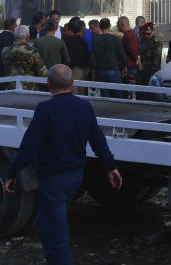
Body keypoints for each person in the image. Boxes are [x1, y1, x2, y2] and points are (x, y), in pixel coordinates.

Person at [4, 64, 122, 265]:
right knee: (44, 221)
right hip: (75, 177)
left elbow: (29, 145)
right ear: (73, 83)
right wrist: (111, 167)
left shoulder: (45, 109)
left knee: (57, 234)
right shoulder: (84, 107)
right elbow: (98, 140)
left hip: (54, 179)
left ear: (48, 84)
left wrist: (12, 172)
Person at [91, 18, 125, 98]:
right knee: (118, 96)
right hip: (114, 70)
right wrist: (124, 67)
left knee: (105, 96)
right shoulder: (115, 39)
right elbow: (122, 55)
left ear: (99, 26)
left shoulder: (95, 40)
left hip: (101, 70)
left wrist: (94, 73)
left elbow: (93, 58)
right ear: (109, 26)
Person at [2, 25, 46, 89]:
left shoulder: (5, 51)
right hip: (28, 90)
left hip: (10, 89)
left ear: (14, 37)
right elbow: (42, 72)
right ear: (28, 37)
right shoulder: (32, 52)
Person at [64, 20, 91, 94]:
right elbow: (87, 57)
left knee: (73, 90)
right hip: (83, 70)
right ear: (83, 29)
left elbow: (67, 57)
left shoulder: (68, 41)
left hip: (73, 69)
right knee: (82, 92)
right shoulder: (84, 42)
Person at [117, 16, 141, 88]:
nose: (117, 26)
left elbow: (132, 51)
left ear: (123, 25)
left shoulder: (128, 35)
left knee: (129, 91)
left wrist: (136, 59)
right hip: (130, 67)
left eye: (118, 25)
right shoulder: (130, 34)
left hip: (129, 68)